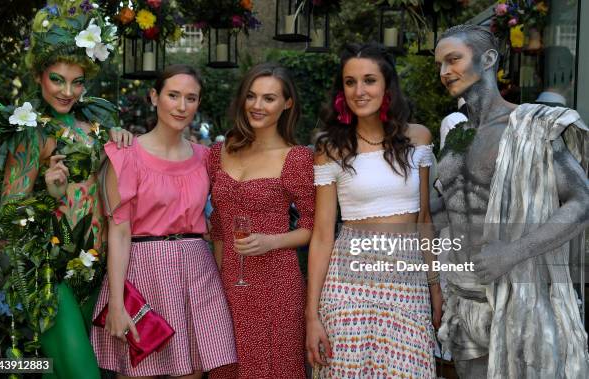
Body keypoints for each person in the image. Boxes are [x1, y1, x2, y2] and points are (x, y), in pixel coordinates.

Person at [433, 25, 589, 378]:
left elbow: (581, 202)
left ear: (488, 59)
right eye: (440, 64)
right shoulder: (458, 134)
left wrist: (512, 252)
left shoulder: (529, 127)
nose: (444, 72)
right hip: (462, 297)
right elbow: (449, 204)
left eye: (453, 60)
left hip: (520, 299)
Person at [0, 2, 132, 378]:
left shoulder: (99, 124)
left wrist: (120, 140)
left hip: (92, 267)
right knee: (83, 373)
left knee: (60, 372)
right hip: (44, 270)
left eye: (77, 81)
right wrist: (48, 196)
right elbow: (7, 217)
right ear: (39, 76)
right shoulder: (31, 133)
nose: (67, 91)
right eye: (57, 79)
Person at [90, 64, 237, 378]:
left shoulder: (207, 157)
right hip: (143, 269)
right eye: (173, 95)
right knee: (137, 371)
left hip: (198, 271)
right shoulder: (125, 154)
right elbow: (118, 232)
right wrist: (117, 303)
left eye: (191, 98)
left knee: (193, 371)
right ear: (154, 97)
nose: (182, 106)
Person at [306, 42, 442, 378]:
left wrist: (435, 287)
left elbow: (424, 220)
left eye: (369, 80)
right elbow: (323, 235)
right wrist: (312, 316)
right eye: (350, 82)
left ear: (387, 87)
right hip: (347, 284)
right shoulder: (331, 148)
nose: (359, 90)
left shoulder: (419, 139)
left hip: (407, 282)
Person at [207, 62, 315, 379]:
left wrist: (272, 241)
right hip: (226, 284)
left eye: (269, 98)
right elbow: (217, 229)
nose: (257, 105)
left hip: (276, 286)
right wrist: (215, 281)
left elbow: (313, 227)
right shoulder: (219, 151)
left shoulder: (296, 157)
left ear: (287, 104)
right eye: (251, 96)